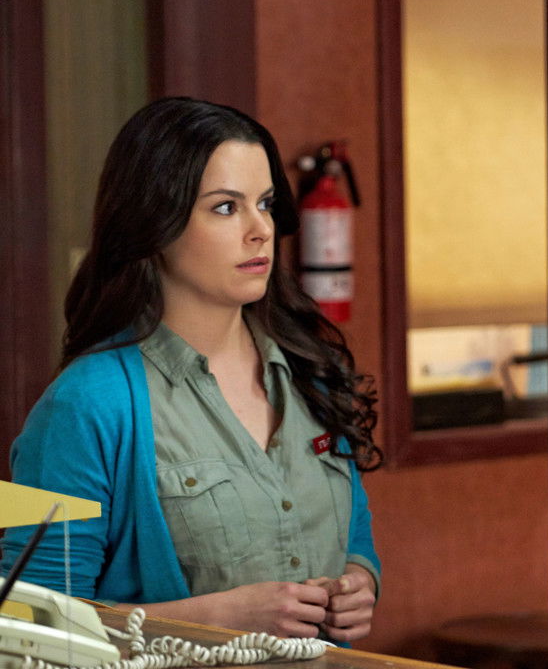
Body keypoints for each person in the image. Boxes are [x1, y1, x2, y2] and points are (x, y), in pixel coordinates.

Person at [2, 97, 382, 643]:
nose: (261, 229)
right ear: (154, 224)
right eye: (226, 207)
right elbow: (31, 624)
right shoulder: (81, 404)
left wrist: (360, 582)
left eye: (266, 204)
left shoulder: (312, 372)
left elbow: (355, 537)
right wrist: (215, 621)